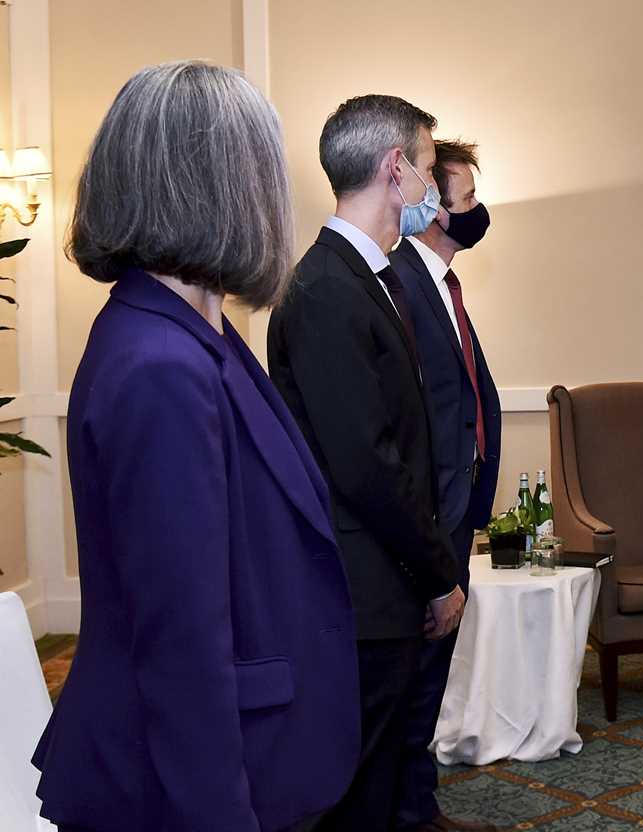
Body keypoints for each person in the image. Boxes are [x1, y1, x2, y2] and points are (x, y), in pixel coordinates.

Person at [32, 61, 359, 832]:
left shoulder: (187, 330)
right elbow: (182, 645)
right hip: (186, 786)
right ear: (225, 186)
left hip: (242, 754)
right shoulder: (160, 362)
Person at [267, 96, 477, 832]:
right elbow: (368, 465)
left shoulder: (368, 275)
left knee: (382, 779)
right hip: (363, 587)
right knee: (357, 792)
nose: (430, 186)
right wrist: (439, 573)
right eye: (426, 166)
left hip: (385, 578)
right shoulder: (328, 288)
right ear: (395, 169)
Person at [388, 139, 501, 831]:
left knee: (431, 670)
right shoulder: (400, 282)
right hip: (424, 517)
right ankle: (406, 810)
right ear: (434, 209)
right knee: (413, 674)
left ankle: (417, 803)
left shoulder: (442, 283)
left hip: (455, 510)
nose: (477, 210)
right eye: (467, 198)